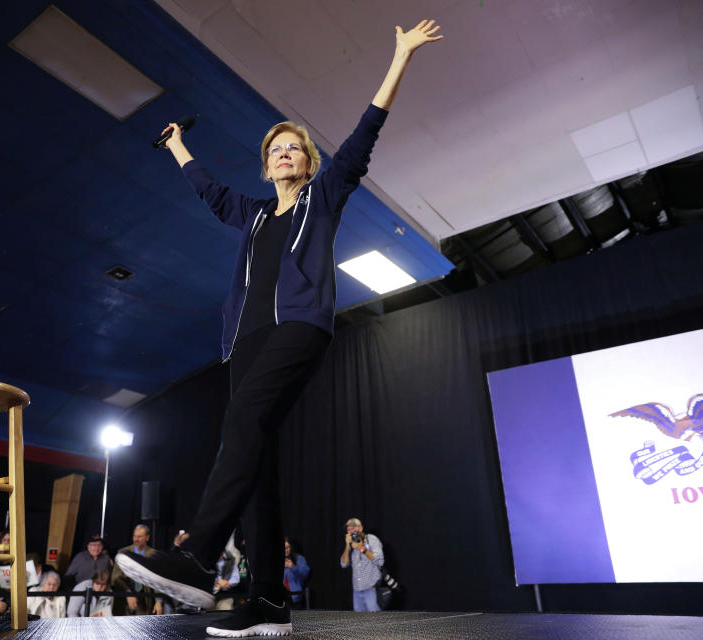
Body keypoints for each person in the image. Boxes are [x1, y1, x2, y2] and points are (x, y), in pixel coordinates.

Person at [115, 19, 444, 638]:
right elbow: (210, 193)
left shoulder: (324, 196)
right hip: (244, 343)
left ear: (307, 160)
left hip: (299, 329)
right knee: (257, 462)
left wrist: (398, 56)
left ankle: (196, 555)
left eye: (293, 147)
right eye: (275, 150)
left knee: (242, 426)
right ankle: (268, 603)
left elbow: (365, 133)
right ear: (266, 167)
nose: (284, 154)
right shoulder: (254, 213)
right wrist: (178, 142)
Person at [110, 525, 164, 615]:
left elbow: (158, 580)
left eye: (139, 536)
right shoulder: (123, 553)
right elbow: (115, 578)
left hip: (144, 599)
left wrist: (158, 601)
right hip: (125, 598)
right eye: (134, 536)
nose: (136, 539)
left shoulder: (154, 555)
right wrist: (128, 593)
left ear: (147, 538)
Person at [339, 518, 384, 612]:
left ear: (360, 528)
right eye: (348, 529)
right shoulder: (352, 544)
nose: (350, 531)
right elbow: (343, 564)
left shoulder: (371, 539)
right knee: (359, 623)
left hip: (371, 589)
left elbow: (380, 560)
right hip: (357, 591)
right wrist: (347, 546)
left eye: (352, 528)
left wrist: (362, 549)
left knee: (375, 622)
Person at [283, 538, 310, 608]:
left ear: (291, 547)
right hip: (281, 598)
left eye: (288, 547)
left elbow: (305, 574)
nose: (286, 550)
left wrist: (292, 566)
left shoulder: (299, 558)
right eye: (284, 548)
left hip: (295, 597)